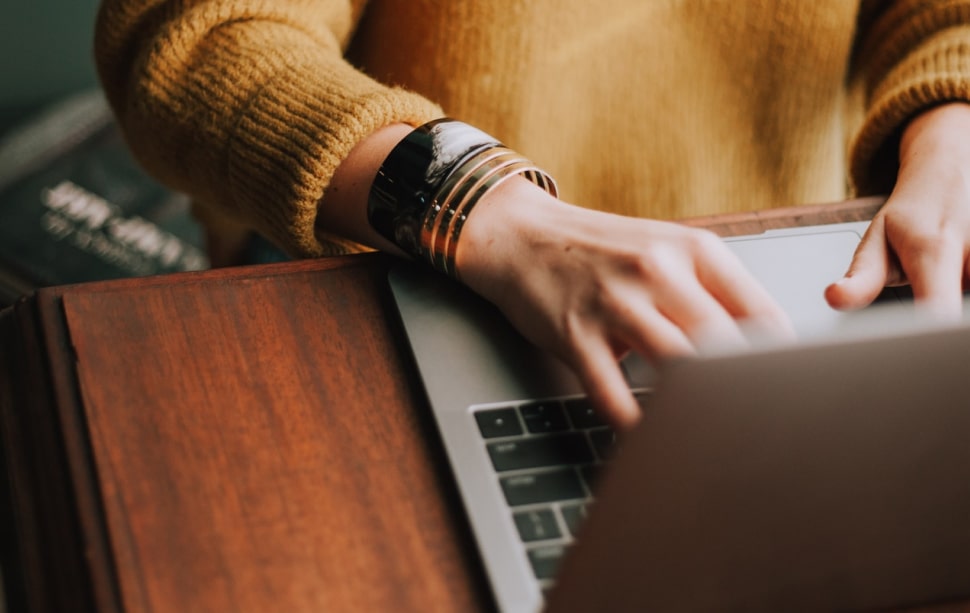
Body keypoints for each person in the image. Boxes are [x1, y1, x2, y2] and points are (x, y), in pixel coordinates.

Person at [94, 1, 970, 427]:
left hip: (800, 297)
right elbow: (193, 43)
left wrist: (954, 121)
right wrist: (489, 210)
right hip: (413, 284)